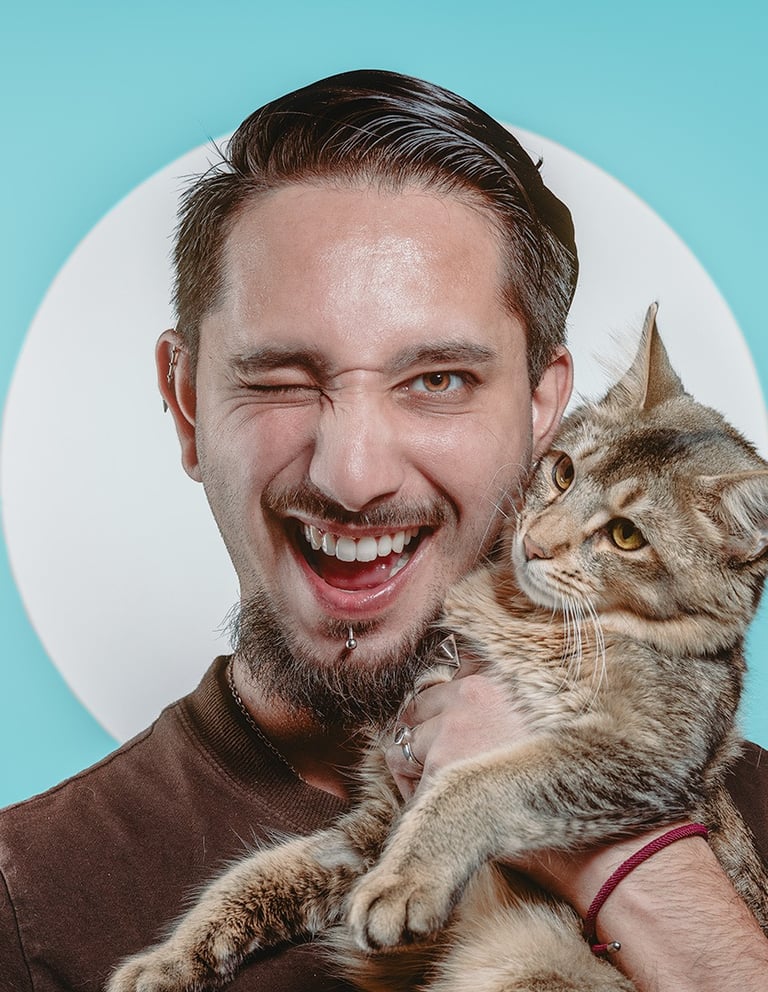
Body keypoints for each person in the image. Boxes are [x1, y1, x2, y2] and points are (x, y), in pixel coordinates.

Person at [0, 70, 766, 992]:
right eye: (281, 378)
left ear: (544, 412)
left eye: (438, 379)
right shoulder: (30, 898)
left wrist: (631, 861)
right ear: (187, 406)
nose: (353, 476)